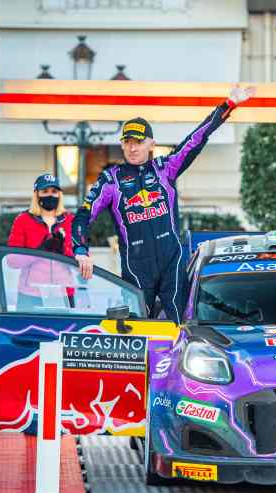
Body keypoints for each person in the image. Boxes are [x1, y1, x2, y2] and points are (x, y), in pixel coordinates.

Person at [73, 85, 256, 324]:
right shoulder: (110, 180)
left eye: (138, 142)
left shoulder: (165, 168)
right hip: (137, 268)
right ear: (122, 144)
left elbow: (196, 139)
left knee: (179, 324)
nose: (132, 148)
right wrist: (80, 250)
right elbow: (83, 215)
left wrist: (227, 105)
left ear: (151, 144)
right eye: (127, 142)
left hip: (172, 262)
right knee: (137, 327)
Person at [7, 173, 75, 310]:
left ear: (59, 195)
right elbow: (12, 260)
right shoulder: (23, 220)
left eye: (54, 191)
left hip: (62, 293)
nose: (50, 195)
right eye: (45, 191)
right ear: (37, 195)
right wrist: (39, 251)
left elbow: (83, 261)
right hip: (30, 294)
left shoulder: (70, 220)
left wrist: (64, 251)